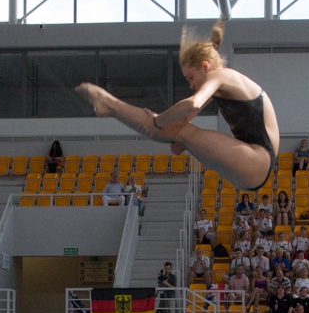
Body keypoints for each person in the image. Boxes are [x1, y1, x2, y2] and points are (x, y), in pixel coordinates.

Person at [78, 19, 279, 191]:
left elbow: (193, 104)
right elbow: (185, 118)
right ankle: (112, 109)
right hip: (253, 163)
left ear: (205, 66)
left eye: (191, 78)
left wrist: (156, 122)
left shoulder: (220, 76)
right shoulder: (224, 83)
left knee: (178, 130)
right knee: (179, 130)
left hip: (258, 160)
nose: (191, 84)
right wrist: (173, 133)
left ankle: (110, 103)